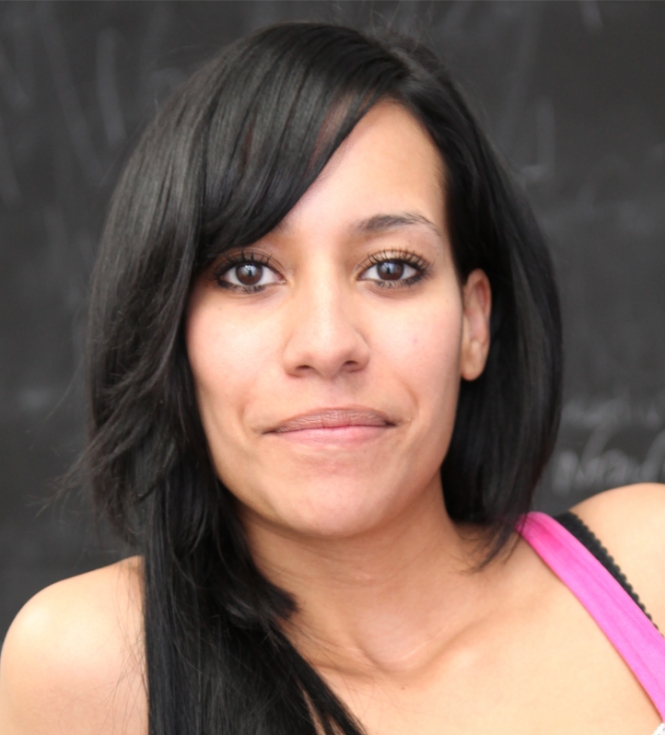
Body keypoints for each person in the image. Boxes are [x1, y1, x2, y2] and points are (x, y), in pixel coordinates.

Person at [1, 21, 664, 735]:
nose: (326, 344)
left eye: (391, 268)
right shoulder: (92, 666)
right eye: (247, 274)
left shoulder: (647, 566)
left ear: (474, 323)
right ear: (170, 328)